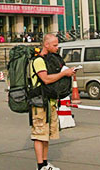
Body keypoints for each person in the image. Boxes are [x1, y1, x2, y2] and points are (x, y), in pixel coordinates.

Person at [30, 33, 75, 170]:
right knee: (39, 134)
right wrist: (63, 74)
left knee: (46, 134)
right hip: (40, 103)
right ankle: (40, 166)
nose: (57, 47)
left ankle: (45, 163)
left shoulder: (49, 59)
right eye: (54, 45)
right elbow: (46, 79)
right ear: (46, 45)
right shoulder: (38, 61)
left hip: (50, 102)